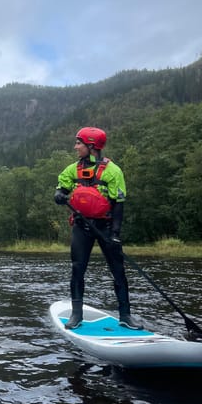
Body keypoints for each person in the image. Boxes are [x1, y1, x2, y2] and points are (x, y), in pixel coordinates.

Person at [53, 127, 142, 330]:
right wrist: (59, 194)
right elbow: (62, 187)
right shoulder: (72, 169)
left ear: (91, 146)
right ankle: (76, 314)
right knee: (77, 269)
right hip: (82, 226)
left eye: (79, 143)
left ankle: (126, 315)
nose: (75, 147)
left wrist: (116, 234)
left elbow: (119, 203)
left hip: (106, 227)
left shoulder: (113, 171)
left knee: (118, 271)